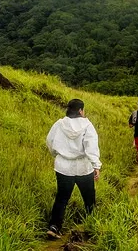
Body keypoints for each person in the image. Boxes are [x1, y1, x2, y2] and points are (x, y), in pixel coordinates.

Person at [46, 99, 101, 240]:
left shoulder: (59, 124)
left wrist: (57, 155)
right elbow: (91, 147)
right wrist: (96, 165)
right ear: (81, 110)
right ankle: (93, 226)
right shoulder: (87, 125)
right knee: (89, 198)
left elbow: (50, 141)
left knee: (62, 198)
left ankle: (54, 226)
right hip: (84, 167)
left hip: (63, 167)